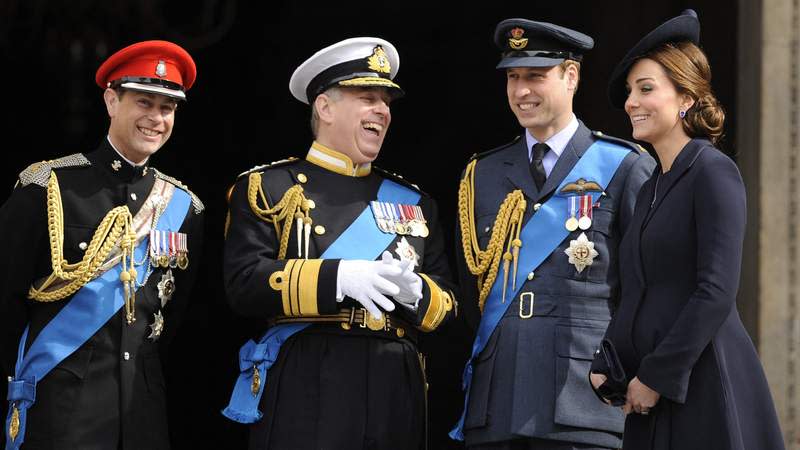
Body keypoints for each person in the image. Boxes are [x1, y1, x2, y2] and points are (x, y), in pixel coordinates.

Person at [221, 37, 456, 450]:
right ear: (325, 108)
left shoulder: (415, 203)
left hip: (393, 383)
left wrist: (418, 293)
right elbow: (244, 284)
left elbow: (451, 305)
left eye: (385, 102)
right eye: (367, 97)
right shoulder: (269, 187)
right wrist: (339, 278)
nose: (382, 111)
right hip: (310, 377)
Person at [451, 18, 656, 450]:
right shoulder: (482, 174)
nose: (521, 90)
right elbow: (473, 292)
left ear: (571, 76)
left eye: (535, 76)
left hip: (583, 399)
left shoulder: (624, 166)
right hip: (498, 401)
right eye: (513, 77)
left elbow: (646, 287)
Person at [589, 9, 786, 450]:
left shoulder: (713, 172)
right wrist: (609, 359)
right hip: (649, 395)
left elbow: (715, 290)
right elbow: (636, 289)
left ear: (686, 98)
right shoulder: (651, 186)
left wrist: (656, 376)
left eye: (646, 89)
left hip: (703, 384)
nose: (631, 103)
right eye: (629, 92)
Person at [0, 40, 204, 449]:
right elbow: (5, 299)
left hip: (141, 411)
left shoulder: (185, 207)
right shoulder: (49, 186)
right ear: (112, 101)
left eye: (167, 108)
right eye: (144, 102)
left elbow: (171, 317)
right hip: (60, 411)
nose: (156, 118)